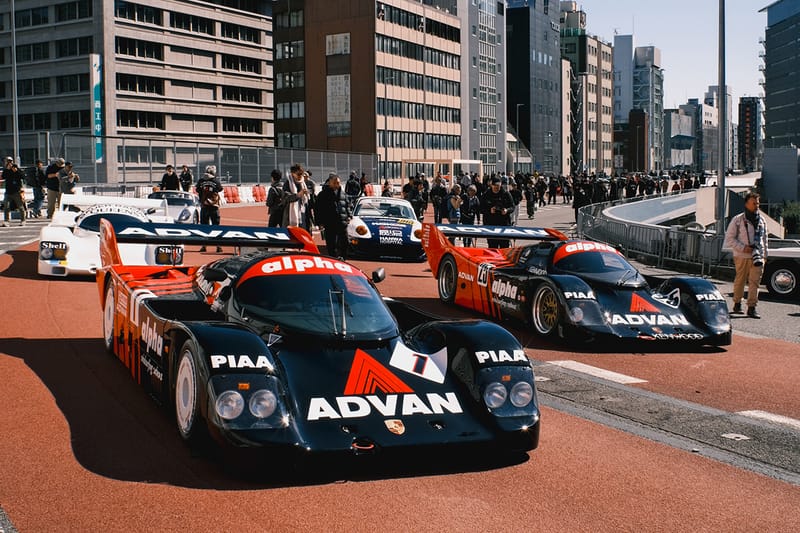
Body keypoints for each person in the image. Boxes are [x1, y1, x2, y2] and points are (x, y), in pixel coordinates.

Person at [724, 191, 768, 318]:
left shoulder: (762, 220)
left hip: (758, 255)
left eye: (758, 203)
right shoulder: (738, 220)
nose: (757, 205)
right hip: (742, 256)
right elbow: (730, 238)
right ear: (746, 204)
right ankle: (737, 303)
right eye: (754, 203)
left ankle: (752, 307)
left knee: (755, 282)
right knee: (740, 280)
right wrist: (744, 248)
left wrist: (765, 254)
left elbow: (764, 239)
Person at [314, 173, 352, 259]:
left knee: (345, 243)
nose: (336, 185)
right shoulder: (323, 194)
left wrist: (349, 215)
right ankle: (333, 259)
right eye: (334, 183)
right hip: (330, 223)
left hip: (342, 222)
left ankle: (343, 259)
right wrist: (319, 222)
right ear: (329, 183)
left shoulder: (343, 194)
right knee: (332, 244)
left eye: (338, 183)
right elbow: (317, 209)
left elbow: (348, 205)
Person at [481, 176, 514, 248]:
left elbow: (512, 207)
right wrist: (489, 210)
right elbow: (481, 208)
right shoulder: (486, 195)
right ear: (491, 185)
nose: (497, 188)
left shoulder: (506, 194)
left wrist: (506, 210)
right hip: (490, 224)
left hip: (504, 224)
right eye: (495, 186)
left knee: (504, 246)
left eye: (498, 186)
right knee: (492, 247)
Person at [196, 165, 223, 253]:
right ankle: (218, 246)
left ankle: (204, 245)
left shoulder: (201, 180)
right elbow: (220, 189)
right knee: (216, 226)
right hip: (214, 206)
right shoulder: (215, 180)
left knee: (204, 227)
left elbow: (197, 190)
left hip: (204, 206)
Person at [281, 162, 312, 231]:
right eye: (298, 174)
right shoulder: (287, 183)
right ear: (292, 174)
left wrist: (308, 194)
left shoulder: (303, 183)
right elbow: (285, 198)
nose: (300, 176)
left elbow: (307, 201)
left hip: (302, 214)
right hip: (290, 216)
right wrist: (298, 195)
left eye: (302, 174)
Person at [2, 157, 27, 226]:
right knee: (6, 206)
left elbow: (23, 176)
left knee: (20, 206)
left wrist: (16, 170)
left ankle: (23, 220)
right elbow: (3, 177)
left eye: (10, 161)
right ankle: (6, 221)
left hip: (16, 191)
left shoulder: (16, 168)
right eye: (7, 161)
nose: (9, 163)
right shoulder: (6, 170)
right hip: (8, 191)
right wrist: (7, 169)